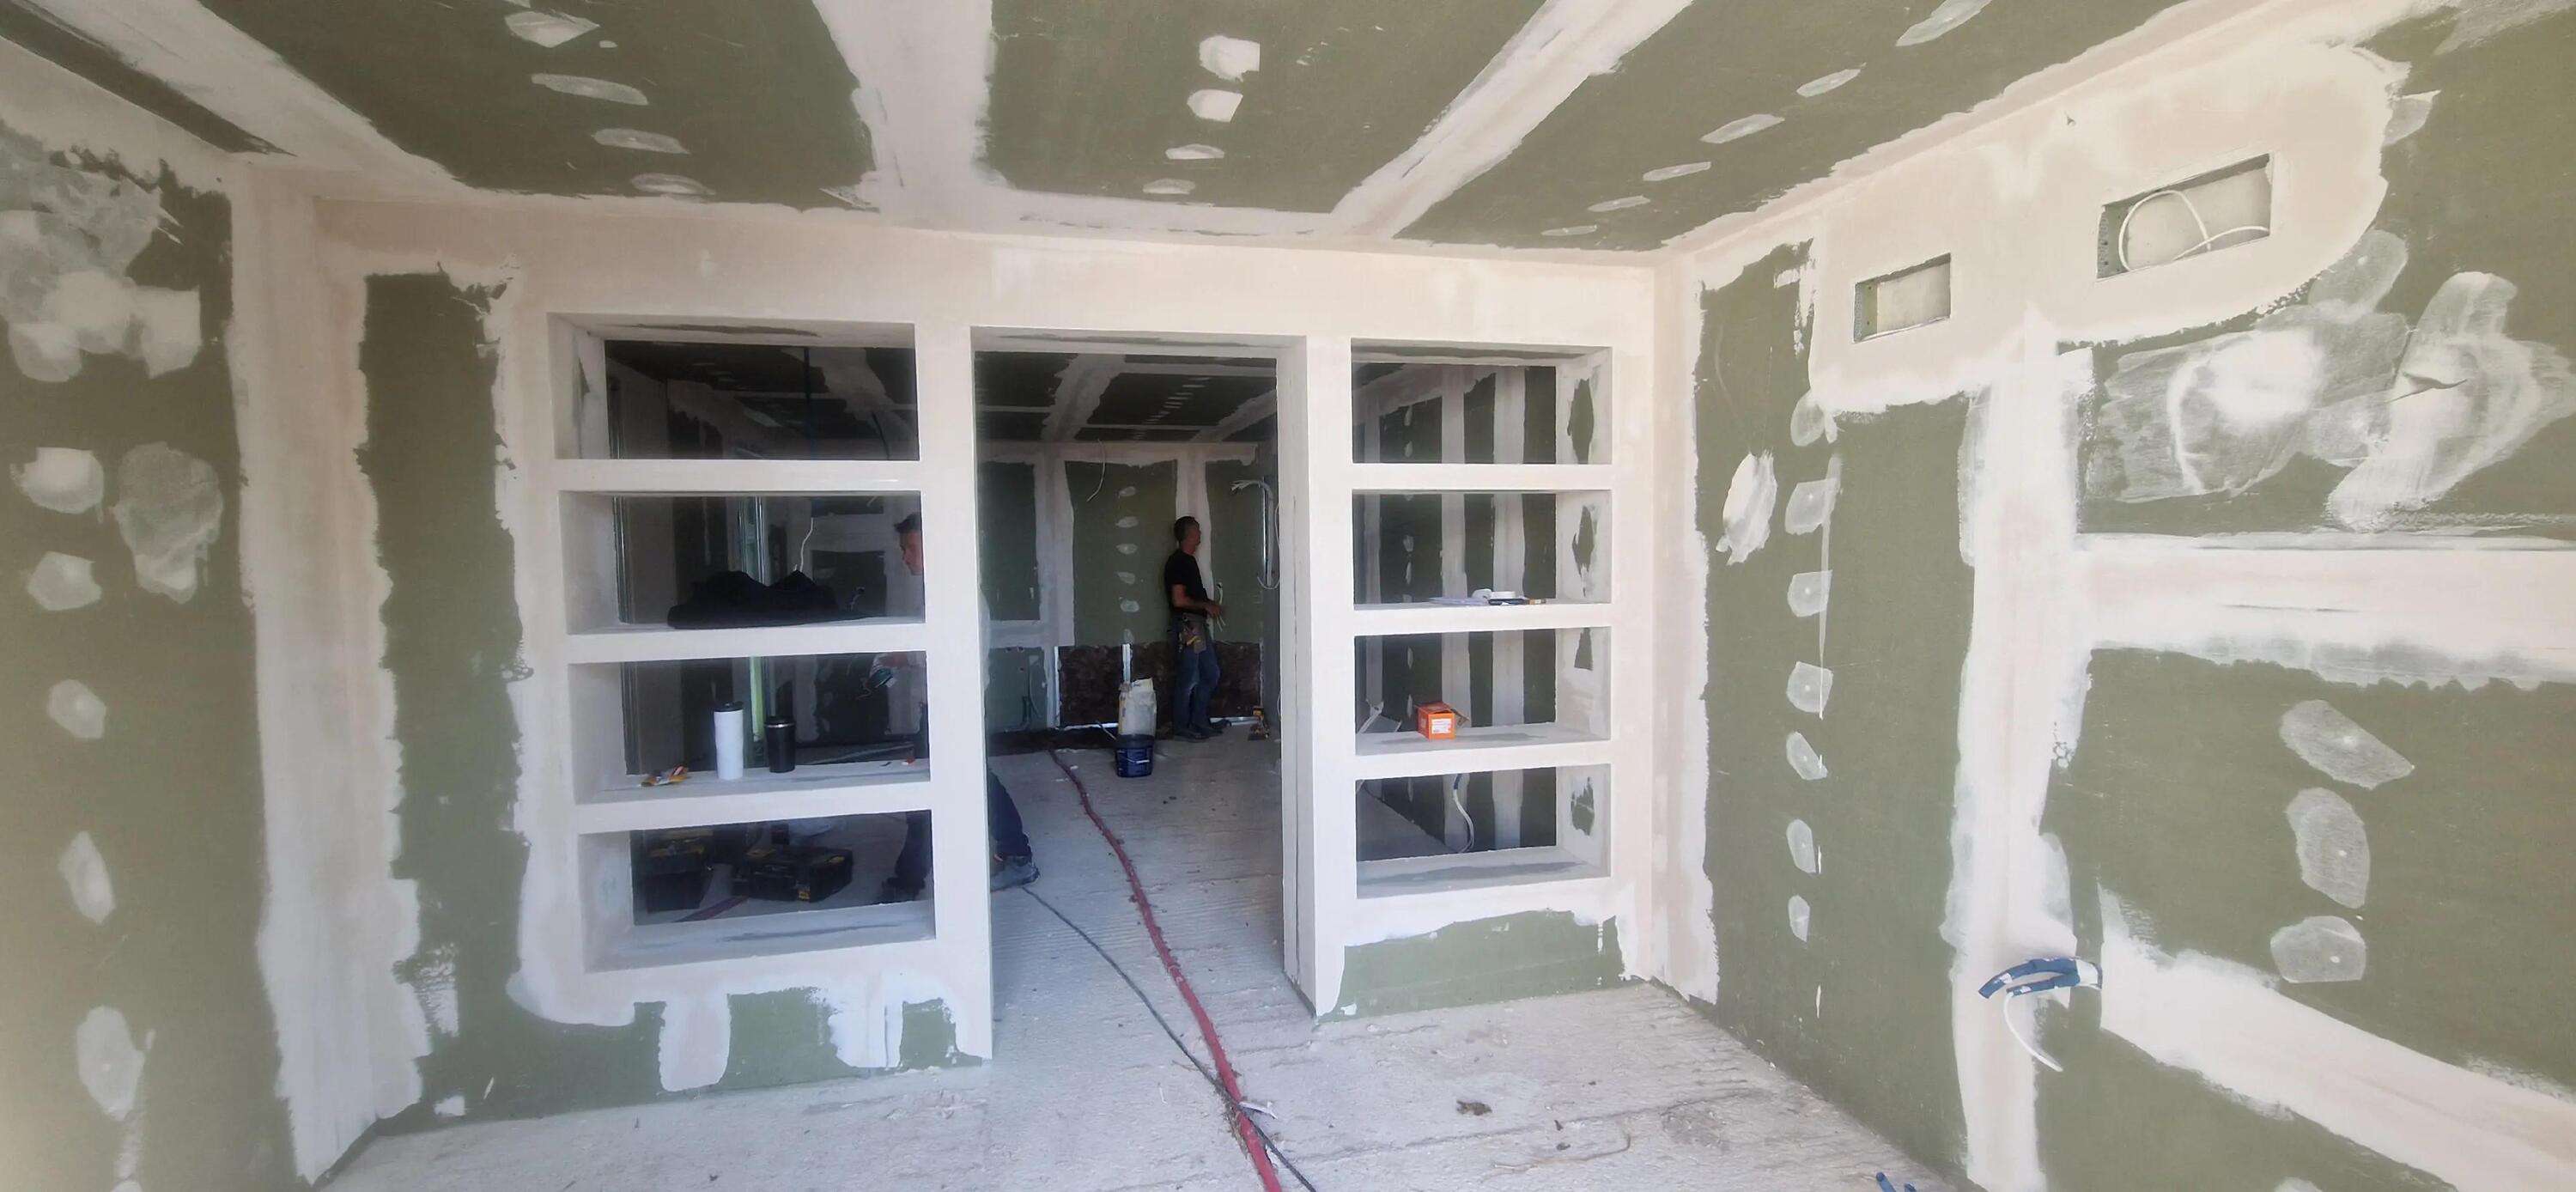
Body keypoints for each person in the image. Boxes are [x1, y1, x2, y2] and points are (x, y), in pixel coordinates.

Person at [881, 512, 1038, 901]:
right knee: (973, 783)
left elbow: (951, 650)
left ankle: (908, 880)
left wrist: (903, 657)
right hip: (945, 708)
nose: (906, 558)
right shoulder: (944, 589)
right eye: (904, 549)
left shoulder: (956, 594)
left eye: (911, 548)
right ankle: (1015, 855)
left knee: (930, 791)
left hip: (953, 710)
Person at [1164, 515, 1225, 740]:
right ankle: (1181, 728)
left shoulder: (1188, 561)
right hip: (1188, 627)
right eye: (1198, 530)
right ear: (1190, 534)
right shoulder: (1178, 562)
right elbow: (1179, 600)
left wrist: (1207, 605)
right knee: (1188, 678)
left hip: (1196, 625)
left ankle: (1199, 721)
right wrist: (1206, 605)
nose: (1201, 535)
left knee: (1210, 673)